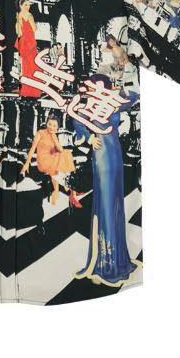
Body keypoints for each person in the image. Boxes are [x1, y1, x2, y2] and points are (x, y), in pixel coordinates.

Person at [72, 74, 140, 287]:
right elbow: (77, 122)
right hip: (101, 155)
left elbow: (133, 96)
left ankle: (117, 261)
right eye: (95, 88)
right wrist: (88, 137)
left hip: (115, 153)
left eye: (103, 88)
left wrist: (122, 82)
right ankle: (105, 263)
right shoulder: (88, 106)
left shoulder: (113, 103)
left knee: (116, 204)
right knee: (105, 205)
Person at [21, 116, 76, 205]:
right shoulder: (40, 133)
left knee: (66, 153)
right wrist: (27, 163)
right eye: (49, 124)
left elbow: (60, 150)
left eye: (54, 126)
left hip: (52, 160)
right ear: (46, 124)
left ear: (57, 128)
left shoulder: (54, 136)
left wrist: (54, 138)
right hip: (43, 161)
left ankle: (64, 190)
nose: (51, 127)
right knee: (61, 159)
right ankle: (67, 189)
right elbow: (33, 148)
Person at [15, 0, 42, 97]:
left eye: (29, 5)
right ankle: (34, 89)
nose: (28, 7)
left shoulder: (18, 16)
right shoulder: (29, 15)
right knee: (33, 65)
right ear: (21, 5)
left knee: (25, 65)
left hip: (23, 42)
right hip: (30, 41)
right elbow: (34, 28)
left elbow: (19, 33)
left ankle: (25, 88)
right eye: (26, 5)